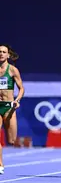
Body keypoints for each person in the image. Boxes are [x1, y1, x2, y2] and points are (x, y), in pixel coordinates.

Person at [0, 44, 25, 175]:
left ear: (8, 55)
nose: (1, 54)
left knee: (11, 140)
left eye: (4, 52)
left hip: (9, 106)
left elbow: (21, 88)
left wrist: (17, 100)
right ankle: (0, 164)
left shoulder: (13, 70)